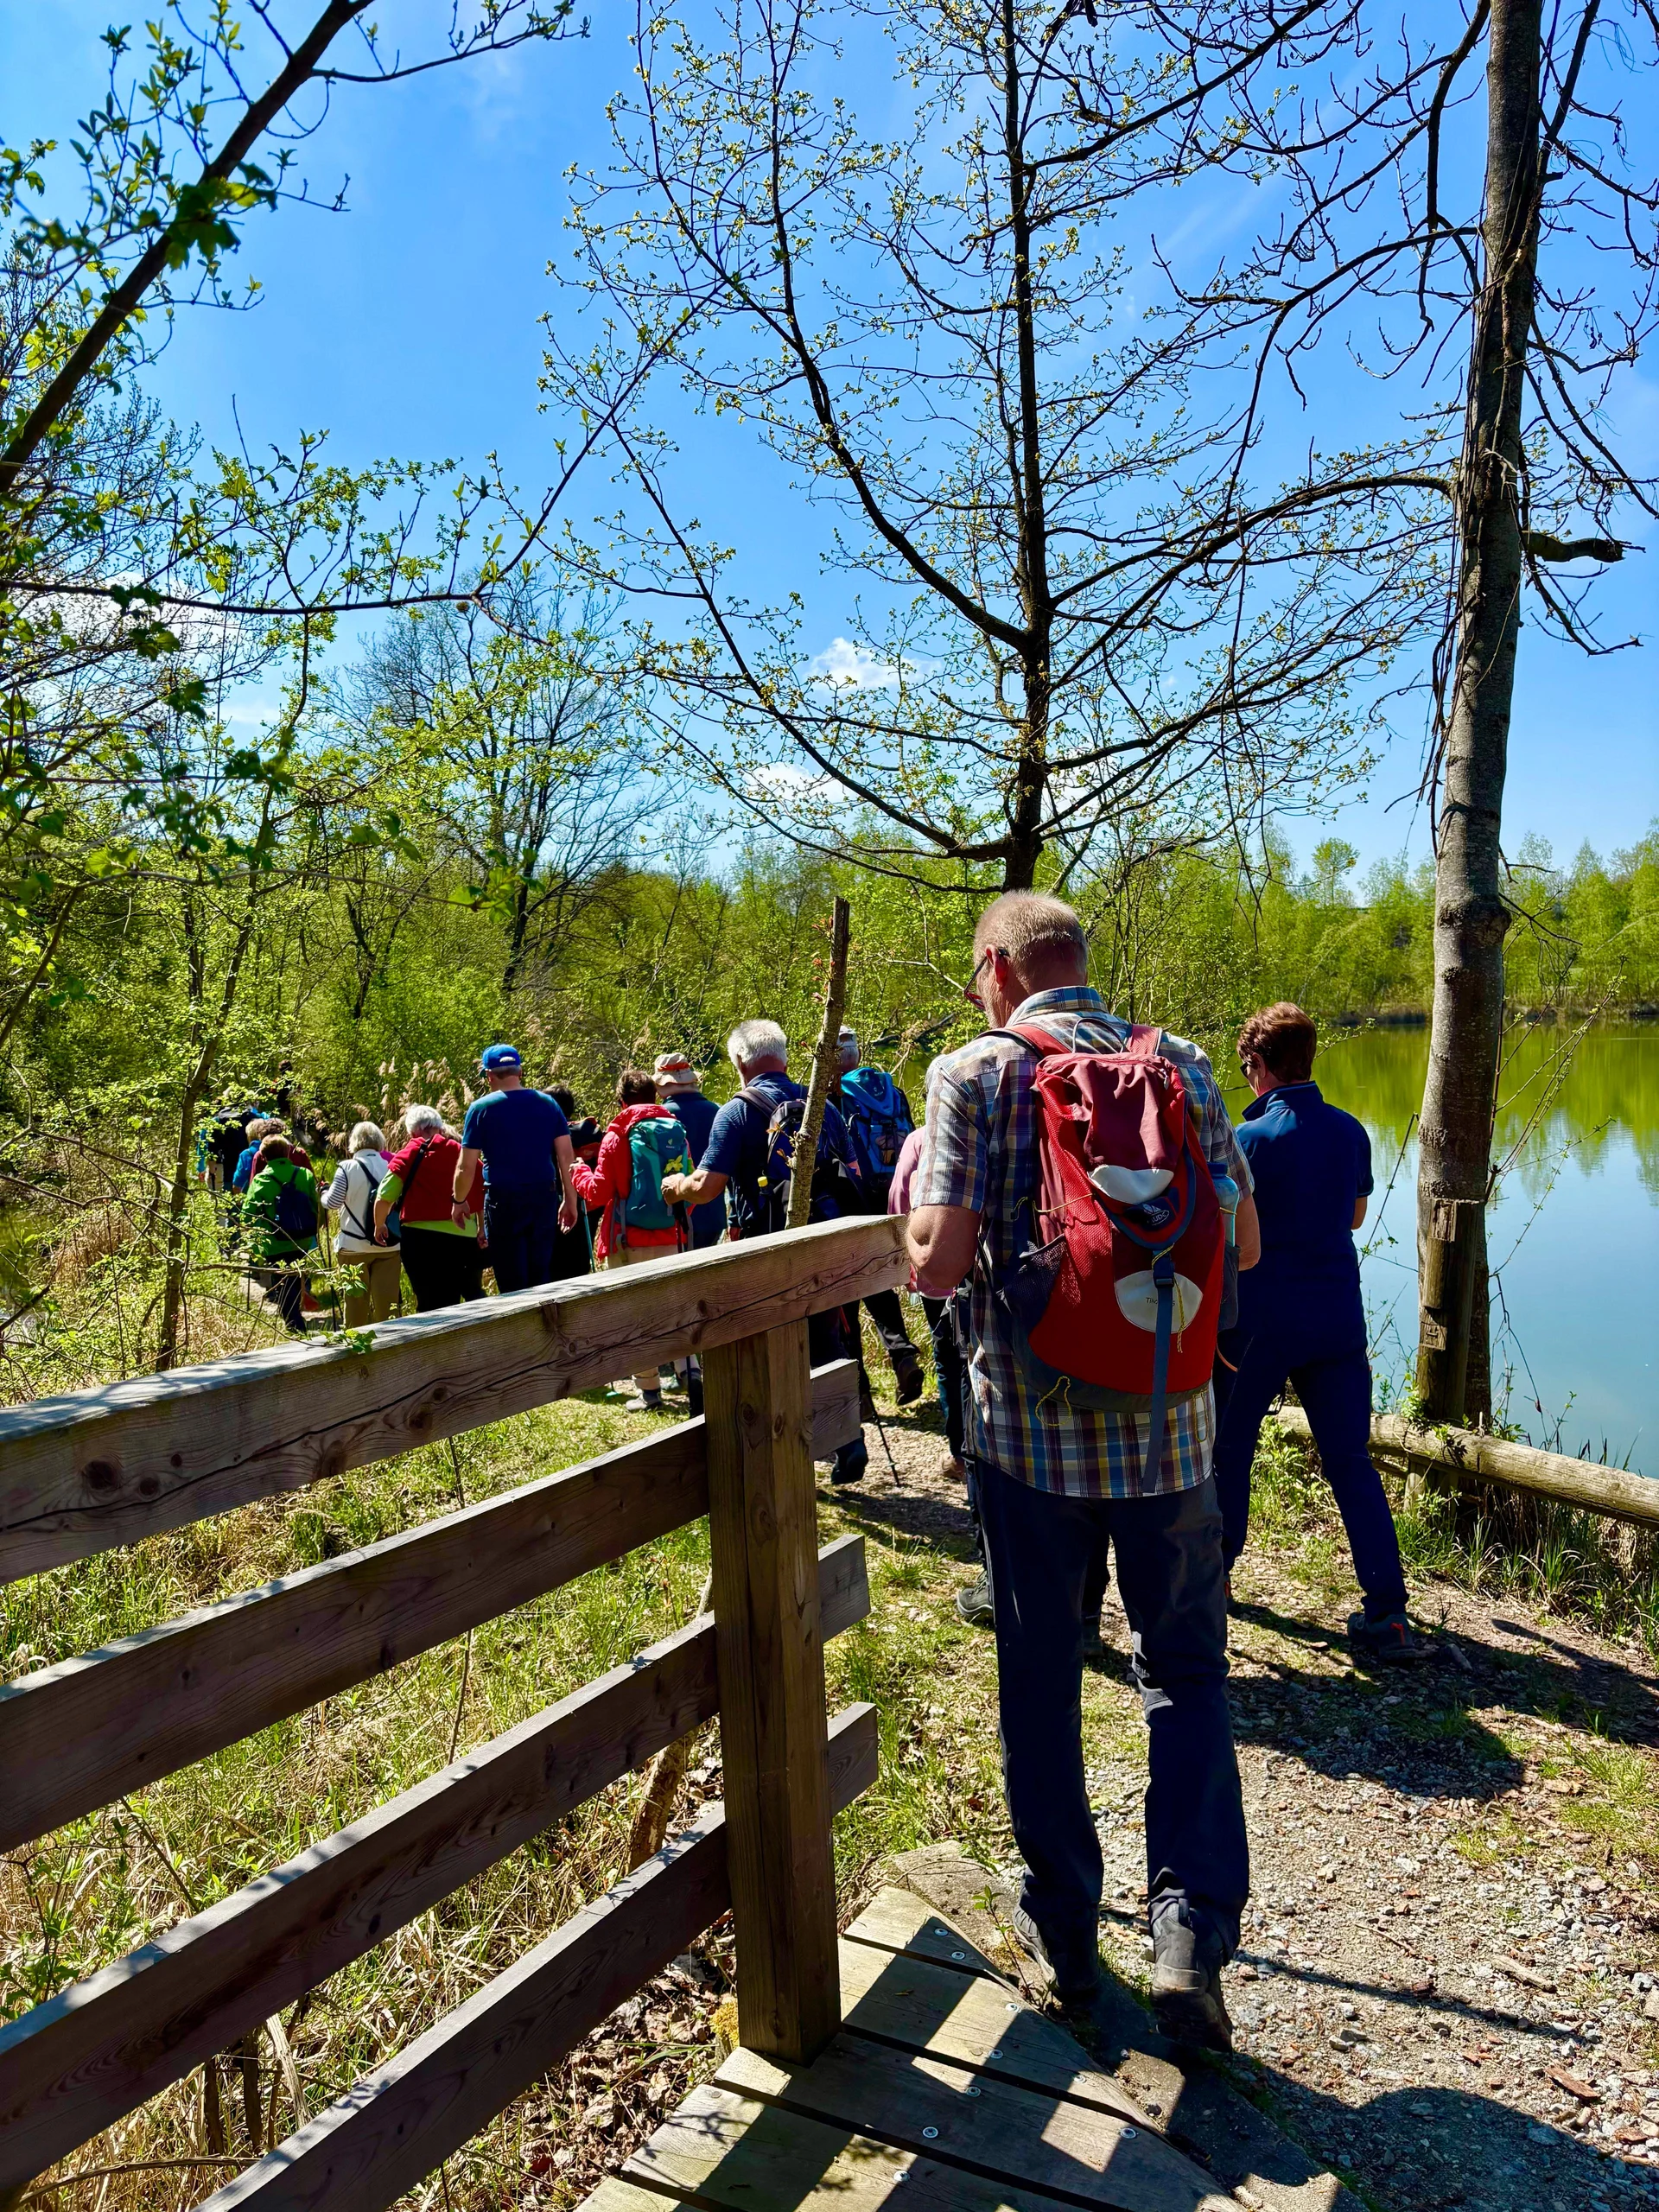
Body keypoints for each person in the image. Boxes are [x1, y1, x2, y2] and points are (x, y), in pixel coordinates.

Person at [906, 890, 1260, 2044]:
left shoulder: (975, 1073)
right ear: (1082, 963)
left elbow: (939, 1263)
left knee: (1043, 1678)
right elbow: (1243, 1242)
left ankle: (1065, 1924)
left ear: (1000, 970)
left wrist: (906, 1231)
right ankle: (1192, 1933)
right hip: (1173, 1437)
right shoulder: (1188, 1064)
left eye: (976, 978)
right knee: (1187, 1675)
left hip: (1031, 1441)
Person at [1213, 1004, 1426, 1663]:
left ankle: (1213, 1581)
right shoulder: (1351, 1131)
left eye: (1248, 1066)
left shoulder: (1246, 1142)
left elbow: (1229, 1237)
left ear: (1259, 1066)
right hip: (1335, 1320)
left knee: (1230, 1452)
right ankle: (1388, 1614)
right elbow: (1356, 1216)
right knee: (1350, 1462)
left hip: (1257, 1325)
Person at [661, 1017, 869, 1485]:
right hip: (825, 1239)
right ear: (786, 1056)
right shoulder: (819, 1105)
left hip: (765, 1247)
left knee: (761, 1343)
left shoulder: (736, 1112)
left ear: (739, 1062)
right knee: (826, 1339)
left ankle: (774, 1447)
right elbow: (850, 1169)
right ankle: (846, 1440)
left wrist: (676, 1187)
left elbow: (708, 1186)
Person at [572, 1068, 694, 1413]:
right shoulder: (674, 1129)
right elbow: (690, 1183)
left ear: (621, 1100)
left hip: (629, 1238)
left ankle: (650, 1392)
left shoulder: (618, 1134)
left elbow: (596, 1194)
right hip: (672, 1234)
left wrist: (579, 1171)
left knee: (636, 1316)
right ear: (654, 1097)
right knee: (675, 1310)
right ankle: (691, 1371)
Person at [835, 1027, 926, 1405]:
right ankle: (902, 1353)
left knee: (845, 1296)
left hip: (849, 1201)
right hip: (891, 1198)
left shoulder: (832, 1098)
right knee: (880, 1281)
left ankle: (860, 1393)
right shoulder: (892, 1090)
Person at [453, 1045, 579, 1294]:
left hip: (503, 1201)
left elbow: (465, 1167)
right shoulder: (548, 1104)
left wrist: (458, 1200)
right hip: (544, 1196)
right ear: (519, 1071)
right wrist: (570, 1199)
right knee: (540, 1275)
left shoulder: (481, 1109)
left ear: (489, 1075)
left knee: (512, 1282)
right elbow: (566, 1156)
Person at [375, 1106, 486, 1312]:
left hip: (421, 1240)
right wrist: (481, 1228)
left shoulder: (410, 1152)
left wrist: (379, 1224)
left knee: (430, 1304)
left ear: (412, 1132)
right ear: (440, 1128)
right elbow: (482, 1187)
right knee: (472, 1300)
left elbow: (384, 1197)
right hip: (464, 1238)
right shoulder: (459, 1151)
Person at [322, 1123, 403, 1326]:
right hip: (389, 1245)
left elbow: (333, 1203)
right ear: (380, 1143)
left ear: (353, 1144)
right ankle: (391, 1349)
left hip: (353, 1246)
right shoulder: (393, 1167)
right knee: (388, 1306)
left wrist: (322, 1193)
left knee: (356, 1304)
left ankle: (357, 1350)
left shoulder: (347, 1168)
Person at [243, 1135, 320, 1333]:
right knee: (294, 1278)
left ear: (264, 1157)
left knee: (282, 1282)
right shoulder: (305, 1175)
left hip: (274, 1242)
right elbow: (316, 1207)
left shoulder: (260, 1181)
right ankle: (294, 1319)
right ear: (287, 1152)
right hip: (301, 1240)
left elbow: (247, 1215)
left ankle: (294, 1323)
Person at [654, 1052, 724, 1250]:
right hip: (714, 1215)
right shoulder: (718, 1112)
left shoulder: (662, 1117)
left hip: (678, 1217)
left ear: (662, 1084)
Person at [547, 1087, 595, 1281]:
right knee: (579, 1269)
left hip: (555, 1210)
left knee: (555, 1270)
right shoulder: (588, 1135)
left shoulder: (547, 1138)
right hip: (587, 1209)